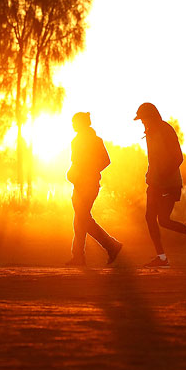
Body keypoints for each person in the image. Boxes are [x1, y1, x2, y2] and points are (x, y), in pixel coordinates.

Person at [134, 102, 186, 268]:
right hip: (155, 183)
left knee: (163, 220)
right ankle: (162, 258)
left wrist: (162, 176)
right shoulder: (150, 133)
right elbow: (154, 159)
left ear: (151, 116)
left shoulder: (165, 130)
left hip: (169, 184)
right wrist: (150, 174)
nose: (142, 122)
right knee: (150, 218)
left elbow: (178, 158)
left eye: (143, 119)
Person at [66, 112, 122, 266]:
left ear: (81, 123)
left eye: (74, 122)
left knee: (82, 219)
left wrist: (89, 171)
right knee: (80, 219)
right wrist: (74, 174)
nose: (72, 124)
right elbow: (78, 163)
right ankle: (79, 256)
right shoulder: (81, 140)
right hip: (81, 184)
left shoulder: (87, 141)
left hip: (87, 184)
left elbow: (105, 160)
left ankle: (111, 246)